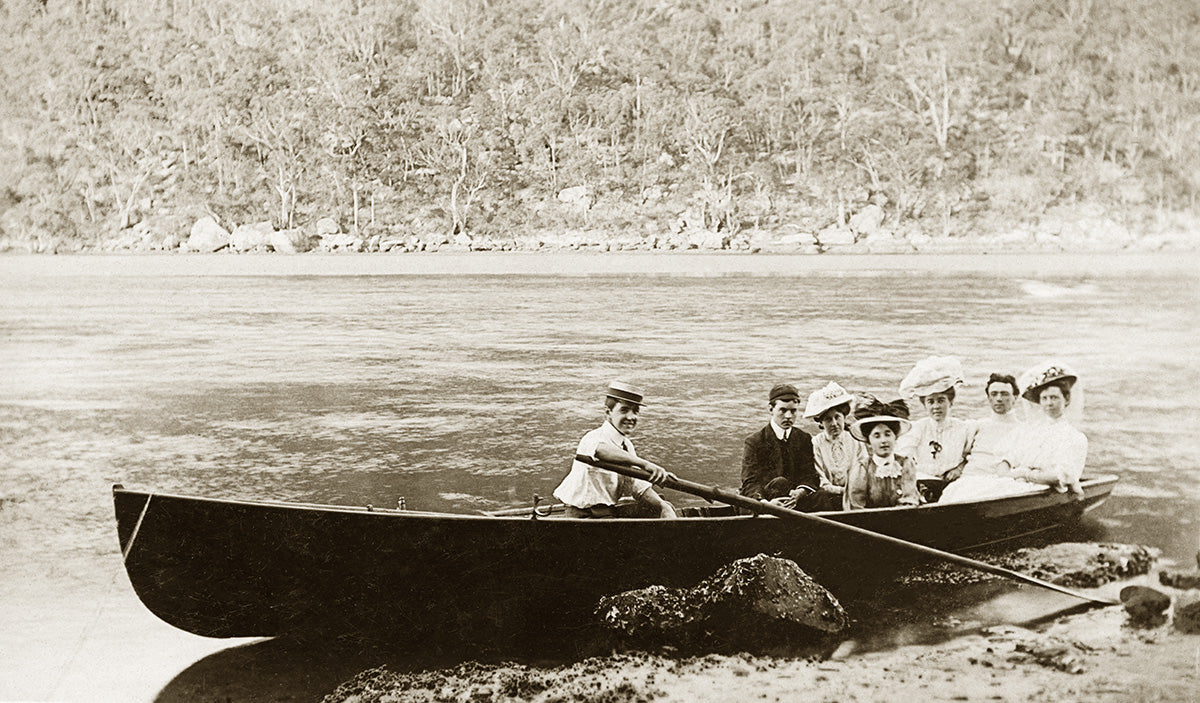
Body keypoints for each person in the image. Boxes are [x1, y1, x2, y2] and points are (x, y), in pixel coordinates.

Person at [553, 380, 677, 518]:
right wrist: (645, 464)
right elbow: (601, 451)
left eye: (635, 411)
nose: (631, 417)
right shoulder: (593, 438)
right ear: (608, 412)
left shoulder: (627, 446)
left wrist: (662, 505)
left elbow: (639, 487)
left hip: (607, 515)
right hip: (582, 516)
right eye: (624, 410)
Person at [740, 383, 840, 511]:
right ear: (771, 409)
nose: (788, 416)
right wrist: (765, 503)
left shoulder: (803, 438)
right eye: (783, 410)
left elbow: (809, 474)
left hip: (796, 501)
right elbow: (750, 482)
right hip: (768, 501)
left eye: (793, 411)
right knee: (779, 483)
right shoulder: (755, 442)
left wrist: (801, 491)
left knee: (822, 497)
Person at [940, 373, 1038, 503]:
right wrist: (958, 468)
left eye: (1004, 394)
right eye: (994, 394)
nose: (999, 398)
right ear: (988, 398)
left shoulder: (1026, 430)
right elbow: (962, 454)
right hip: (970, 479)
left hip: (1004, 482)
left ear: (1015, 397)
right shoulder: (976, 426)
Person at [998, 362, 1088, 499]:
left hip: (1041, 491)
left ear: (1067, 399)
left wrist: (1024, 474)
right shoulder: (1031, 430)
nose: (1049, 403)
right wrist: (1006, 474)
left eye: (1054, 397)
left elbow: (1059, 476)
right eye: (1044, 398)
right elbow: (1007, 459)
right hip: (1015, 483)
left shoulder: (1073, 437)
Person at [896, 356, 976, 499]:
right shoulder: (918, 428)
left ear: (950, 402)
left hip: (953, 482)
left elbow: (971, 456)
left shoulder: (963, 428)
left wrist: (959, 468)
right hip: (923, 480)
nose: (936, 406)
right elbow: (903, 455)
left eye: (941, 400)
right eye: (930, 402)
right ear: (925, 405)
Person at [845, 398, 920, 509]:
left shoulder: (905, 464)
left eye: (888, 434)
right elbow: (856, 505)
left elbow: (909, 499)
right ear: (869, 442)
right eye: (877, 436)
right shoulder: (862, 468)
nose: (883, 440)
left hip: (903, 519)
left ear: (895, 437)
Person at [804, 381, 867, 506]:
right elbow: (821, 480)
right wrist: (842, 491)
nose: (834, 423)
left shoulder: (856, 439)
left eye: (837, 417)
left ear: (844, 417)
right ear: (821, 423)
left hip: (857, 495)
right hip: (829, 498)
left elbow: (864, 469)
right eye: (828, 419)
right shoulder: (815, 444)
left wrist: (854, 490)